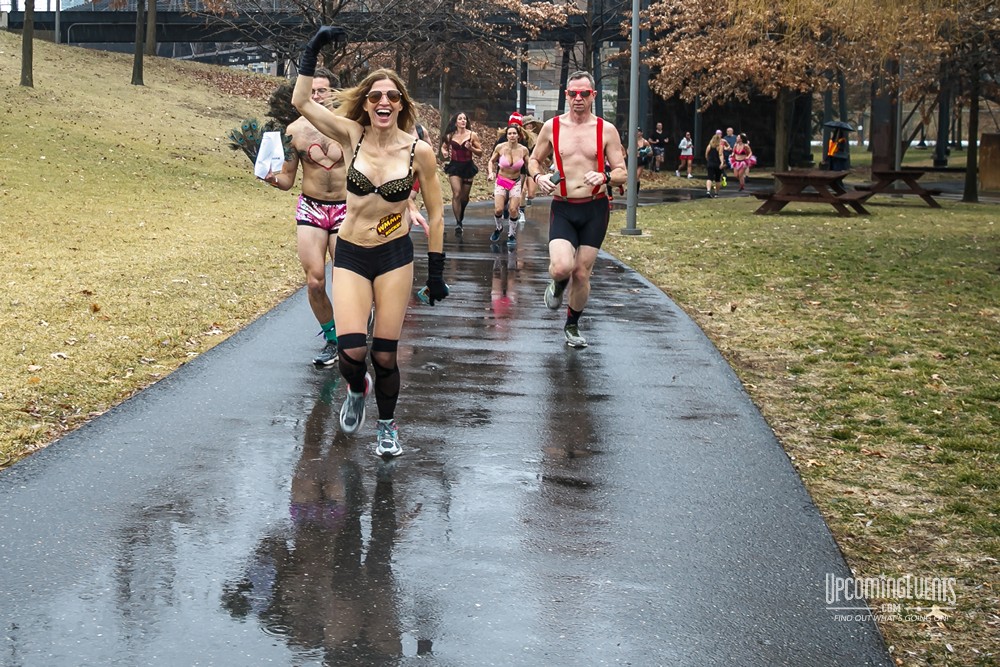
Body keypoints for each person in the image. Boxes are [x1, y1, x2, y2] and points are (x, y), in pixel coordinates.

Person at [292, 27, 447, 458]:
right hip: (353, 254)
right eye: (376, 96)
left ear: (401, 104)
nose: (383, 102)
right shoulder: (349, 136)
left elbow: (435, 214)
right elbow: (302, 102)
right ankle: (356, 389)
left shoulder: (419, 152)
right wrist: (313, 49)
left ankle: (387, 427)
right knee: (352, 350)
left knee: (384, 355)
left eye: (392, 97)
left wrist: (436, 273)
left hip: (395, 256)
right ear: (366, 102)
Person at [529, 70, 626, 349]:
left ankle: (572, 325)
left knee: (581, 273)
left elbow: (622, 172)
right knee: (562, 267)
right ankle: (558, 284)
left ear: (593, 95)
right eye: (573, 94)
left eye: (584, 93)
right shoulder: (552, 127)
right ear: (567, 96)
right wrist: (539, 178)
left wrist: (605, 177)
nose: (578, 99)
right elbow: (534, 160)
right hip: (563, 206)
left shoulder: (605, 130)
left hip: (595, 208)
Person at [263, 68, 345, 368]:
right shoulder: (294, 131)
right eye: (311, 92)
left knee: (347, 278)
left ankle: (357, 327)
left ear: (333, 93)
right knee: (314, 281)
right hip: (311, 208)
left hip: (346, 209)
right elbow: (286, 179)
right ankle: (333, 339)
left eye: (322, 91)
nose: (316, 97)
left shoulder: (349, 126)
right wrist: (269, 177)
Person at [487, 124, 531, 246]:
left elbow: (530, 165)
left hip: (515, 182)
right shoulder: (500, 147)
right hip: (501, 181)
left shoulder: (523, 150)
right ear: (506, 136)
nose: (512, 136)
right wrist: (490, 173)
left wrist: (536, 176)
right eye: (509, 133)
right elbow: (491, 161)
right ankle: (498, 227)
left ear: (518, 135)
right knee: (499, 209)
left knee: (513, 209)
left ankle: (511, 234)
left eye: (514, 133)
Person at [440, 111, 483, 234]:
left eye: (465, 119)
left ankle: (461, 211)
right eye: (460, 119)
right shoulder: (450, 135)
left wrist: (471, 148)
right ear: (456, 122)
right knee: (457, 193)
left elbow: (480, 153)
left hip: (468, 167)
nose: (463, 121)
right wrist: (444, 152)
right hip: (454, 166)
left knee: (464, 197)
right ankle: (458, 222)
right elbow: (444, 146)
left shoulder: (472, 135)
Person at [704, 133, 726, 198]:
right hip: (717, 164)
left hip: (710, 163)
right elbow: (720, 154)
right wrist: (722, 162)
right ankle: (716, 193)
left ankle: (708, 191)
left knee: (709, 178)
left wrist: (708, 160)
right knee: (717, 179)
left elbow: (706, 154)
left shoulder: (709, 146)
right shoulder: (720, 146)